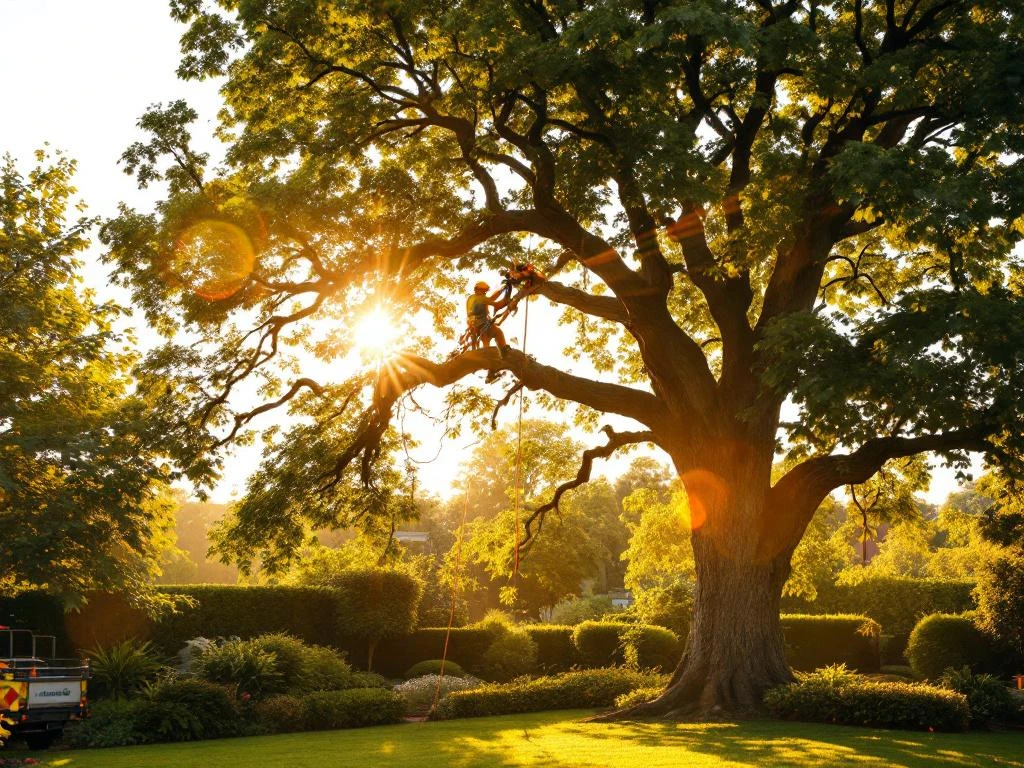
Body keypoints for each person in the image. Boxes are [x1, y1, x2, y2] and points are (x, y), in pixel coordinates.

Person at [466, 280, 511, 357]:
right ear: (478, 289)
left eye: (485, 291)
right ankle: (503, 351)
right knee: (498, 333)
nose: (485, 293)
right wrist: (507, 295)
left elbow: (491, 300)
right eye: (484, 291)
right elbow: (497, 304)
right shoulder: (481, 298)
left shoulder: (471, 298)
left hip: (474, 325)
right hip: (482, 324)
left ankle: (486, 357)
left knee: (486, 341)